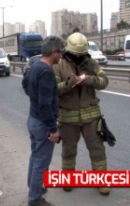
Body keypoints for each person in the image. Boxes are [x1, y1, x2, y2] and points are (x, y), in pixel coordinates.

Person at [53, 32, 110, 195]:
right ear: (68, 51)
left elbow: (104, 81)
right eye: (75, 54)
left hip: (91, 115)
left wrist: (91, 80)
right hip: (68, 116)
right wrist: (70, 84)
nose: (79, 57)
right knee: (69, 150)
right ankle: (68, 180)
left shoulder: (91, 63)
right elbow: (55, 89)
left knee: (97, 149)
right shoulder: (59, 65)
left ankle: (101, 181)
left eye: (81, 54)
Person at [23, 36, 65, 206]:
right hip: (42, 123)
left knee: (35, 157)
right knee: (41, 162)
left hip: (32, 120)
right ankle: (35, 199)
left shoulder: (34, 66)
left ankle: (34, 188)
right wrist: (53, 129)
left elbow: (25, 85)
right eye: (60, 52)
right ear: (54, 52)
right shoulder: (47, 71)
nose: (61, 56)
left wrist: (34, 98)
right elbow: (45, 104)